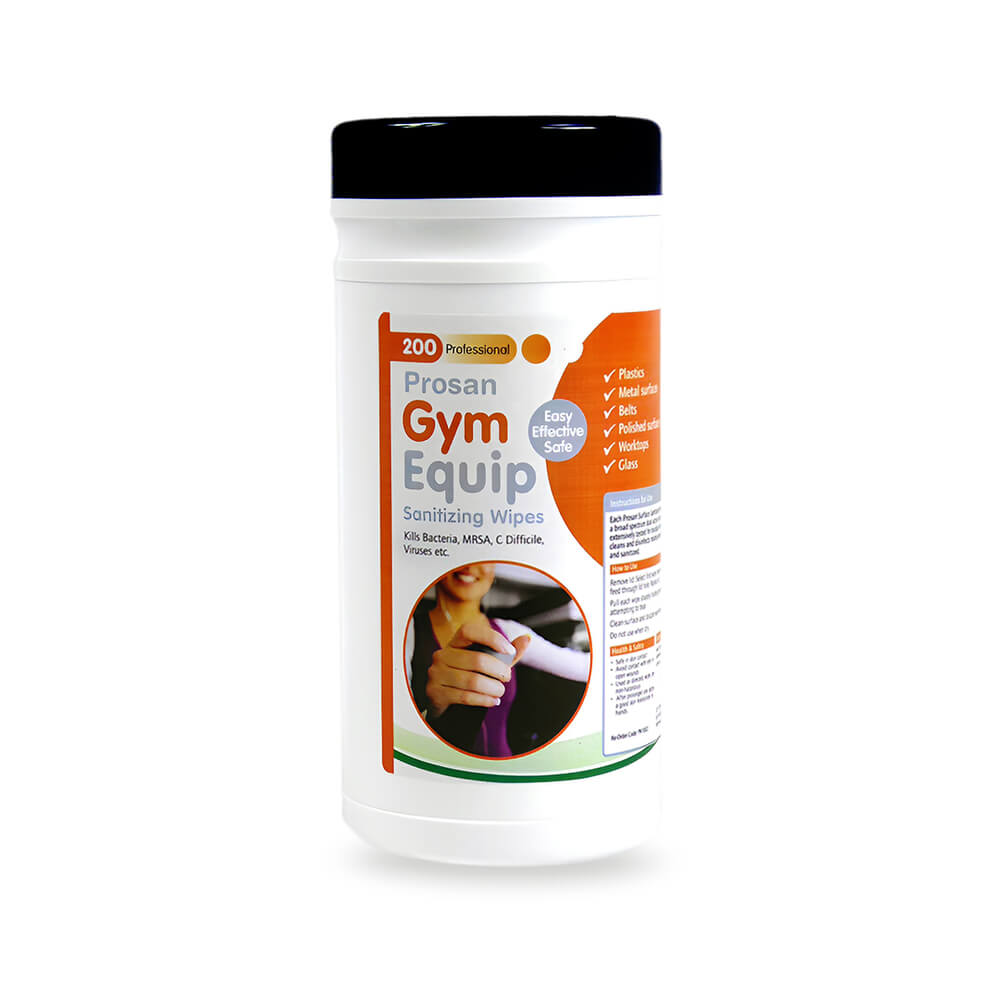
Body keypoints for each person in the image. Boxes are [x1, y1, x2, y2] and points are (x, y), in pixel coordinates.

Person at [405, 563, 589, 758]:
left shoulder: (510, 632)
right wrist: (432, 712)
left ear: (493, 571)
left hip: (504, 764)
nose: (469, 566)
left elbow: (583, 667)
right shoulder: (408, 631)